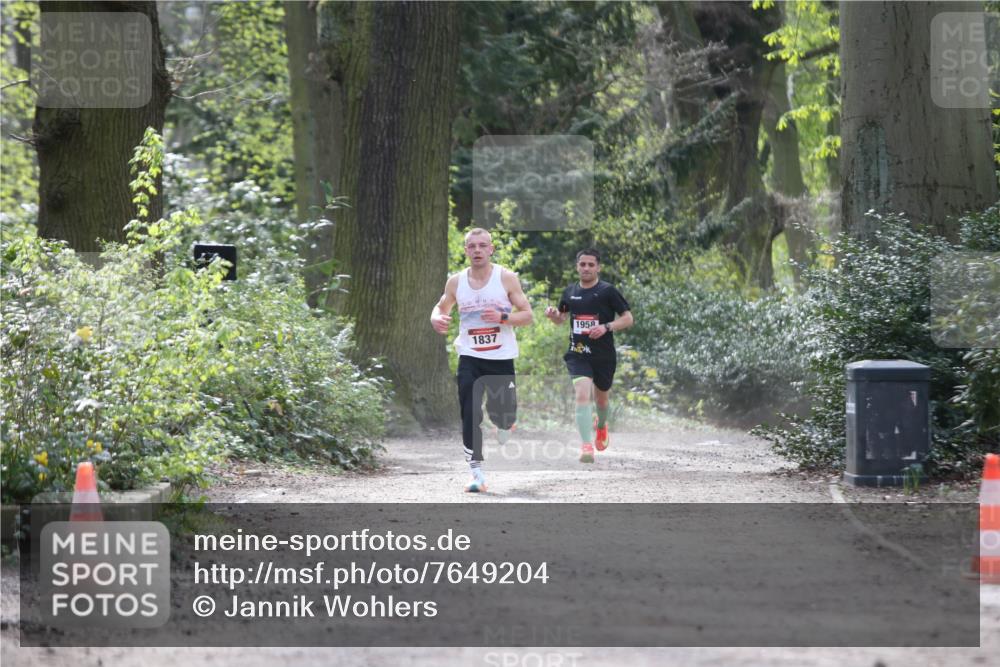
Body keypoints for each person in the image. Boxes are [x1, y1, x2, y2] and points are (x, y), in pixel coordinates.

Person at [430, 228, 533, 492]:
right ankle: (476, 474)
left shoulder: (506, 278)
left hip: (500, 358)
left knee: (503, 416)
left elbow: (527, 315)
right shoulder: (456, 282)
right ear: (466, 250)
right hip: (470, 356)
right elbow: (441, 307)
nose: (477, 250)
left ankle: (505, 424)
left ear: (491, 249)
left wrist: (502, 318)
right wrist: (436, 318)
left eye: (482, 245)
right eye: (472, 246)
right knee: (469, 412)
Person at [545, 248, 633, 463]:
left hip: (603, 356)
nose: (586, 268)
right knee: (582, 396)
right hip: (578, 354)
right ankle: (586, 445)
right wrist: (553, 315)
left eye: (591, 265)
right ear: (577, 266)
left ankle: (601, 426)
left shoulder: (608, 291)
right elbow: (561, 319)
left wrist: (606, 327)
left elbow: (628, 318)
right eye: (582, 264)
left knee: (602, 401)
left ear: (598, 268)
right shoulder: (569, 292)